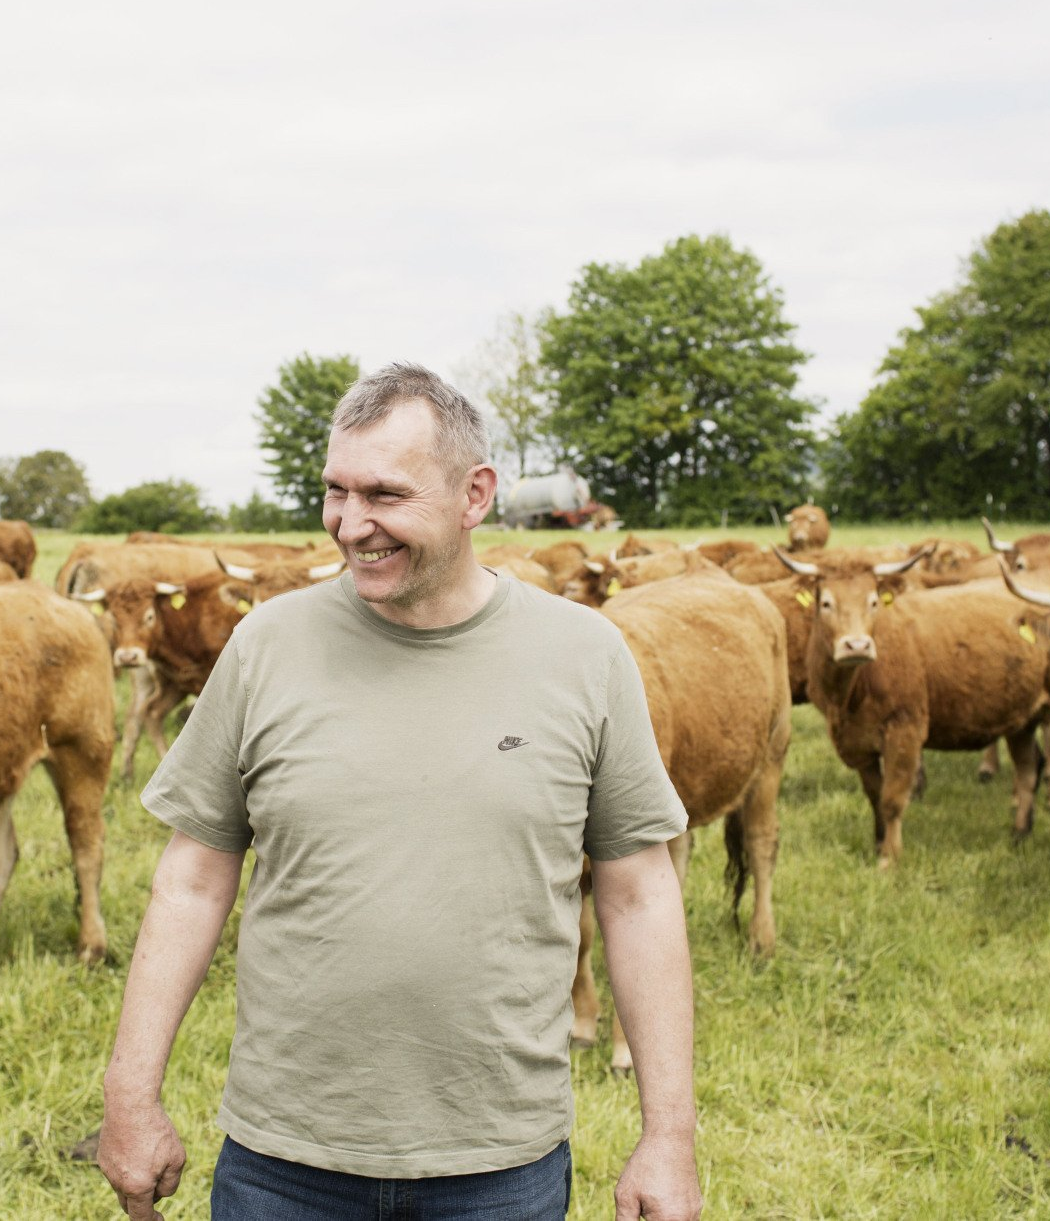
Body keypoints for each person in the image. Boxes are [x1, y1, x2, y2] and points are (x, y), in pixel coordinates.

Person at [97, 363, 703, 1220]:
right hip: (283, 1161)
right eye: (335, 492)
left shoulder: (584, 656)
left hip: (499, 1164)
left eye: (385, 493)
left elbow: (640, 894)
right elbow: (191, 879)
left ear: (476, 494)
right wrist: (131, 1095)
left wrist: (668, 1138)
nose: (352, 524)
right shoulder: (267, 645)